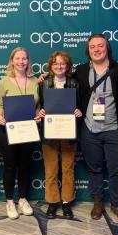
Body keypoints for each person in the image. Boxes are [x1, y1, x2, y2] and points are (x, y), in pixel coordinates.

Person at [74, 33, 118, 222]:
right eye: (92, 47)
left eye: (100, 46)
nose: (97, 49)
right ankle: (98, 202)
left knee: (116, 169)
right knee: (95, 168)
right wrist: (43, 79)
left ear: (107, 48)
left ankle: (116, 204)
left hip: (113, 128)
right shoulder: (81, 70)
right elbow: (63, 83)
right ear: (88, 51)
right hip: (89, 129)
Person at [0, 47, 40, 219]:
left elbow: (38, 105)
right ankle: (9, 201)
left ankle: (22, 199)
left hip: (28, 130)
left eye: (24, 58)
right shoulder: (4, 81)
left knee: (25, 166)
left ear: (28, 61)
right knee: (10, 166)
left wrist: (38, 115)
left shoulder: (35, 81)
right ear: (12, 61)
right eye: (18, 58)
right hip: (8, 131)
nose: (21, 62)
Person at [38, 51, 82, 219]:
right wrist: (40, 111)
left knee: (68, 168)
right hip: (49, 131)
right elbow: (39, 104)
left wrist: (79, 111)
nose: (59, 66)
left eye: (62, 63)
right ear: (51, 66)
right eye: (55, 64)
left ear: (67, 66)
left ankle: (66, 202)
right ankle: (52, 202)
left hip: (68, 130)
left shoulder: (74, 83)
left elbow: (80, 105)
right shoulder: (43, 82)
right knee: (50, 169)